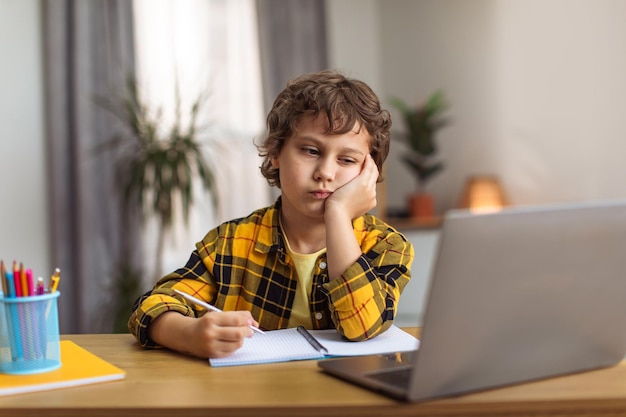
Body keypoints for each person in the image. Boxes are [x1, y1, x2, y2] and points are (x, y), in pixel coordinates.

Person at [128, 70, 414, 359]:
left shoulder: (387, 246)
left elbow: (362, 326)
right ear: (275, 152)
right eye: (311, 150)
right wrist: (190, 335)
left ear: (369, 171)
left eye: (347, 159)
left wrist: (338, 213)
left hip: (344, 401)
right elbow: (151, 307)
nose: (325, 173)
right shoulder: (231, 242)